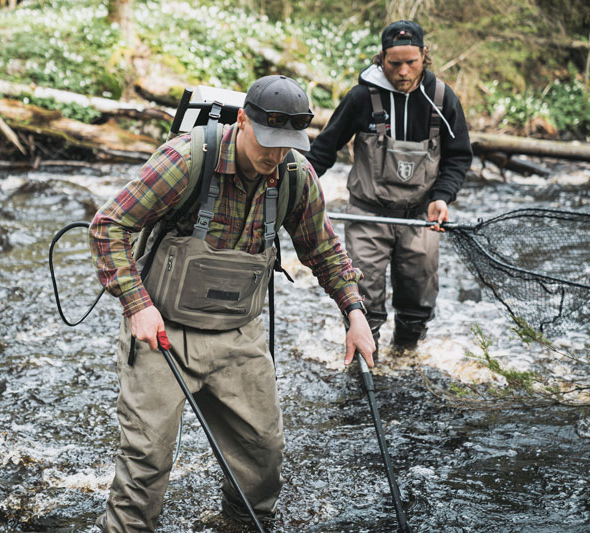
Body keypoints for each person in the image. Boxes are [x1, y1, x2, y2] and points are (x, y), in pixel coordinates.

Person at [88, 74, 375, 532]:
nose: (275, 155)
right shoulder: (186, 159)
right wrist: (137, 305)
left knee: (263, 456)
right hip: (165, 331)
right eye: (267, 141)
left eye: (287, 144)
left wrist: (354, 313)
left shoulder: (296, 177)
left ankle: (240, 526)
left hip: (239, 334)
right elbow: (109, 225)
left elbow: (322, 250)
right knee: (148, 462)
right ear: (242, 121)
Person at [306, 20, 472, 356]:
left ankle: (405, 355)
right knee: (363, 295)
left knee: (417, 295)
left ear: (425, 55)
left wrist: (442, 196)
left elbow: (459, 157)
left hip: (419, 216)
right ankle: (366, 361)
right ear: (382, 58)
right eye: (395, 63)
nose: (404, 71)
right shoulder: (361, 98)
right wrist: (296, 186)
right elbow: (324, 149)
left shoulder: (442, 98)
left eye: (411, 62)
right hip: (367, 214)